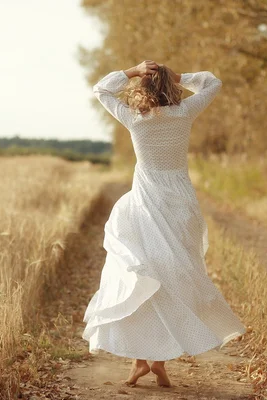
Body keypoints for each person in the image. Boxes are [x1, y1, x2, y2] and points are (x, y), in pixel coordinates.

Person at [82, 60, 246, 388]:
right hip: (180, 203)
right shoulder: (184, 113)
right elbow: (213, 83)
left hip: (145, 203)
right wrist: (179, 76)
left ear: (142, 90)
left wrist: (132, 71)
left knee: (144, 276)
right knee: (171, 277)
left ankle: (144, 360)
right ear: (171, 88)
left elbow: (100, 89)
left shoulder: (135, 119)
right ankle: (153, 361)